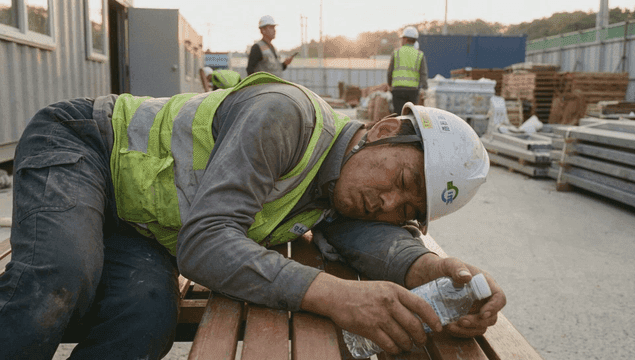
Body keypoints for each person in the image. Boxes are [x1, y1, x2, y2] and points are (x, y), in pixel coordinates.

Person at [0, 72, 505, 359]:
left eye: (410, 210)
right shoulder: (286, 116)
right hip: (83, 143)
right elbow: (205, 243)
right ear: (385, 128)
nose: (390, 204)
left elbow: (372, 238)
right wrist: (335, 295)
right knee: (61, 277)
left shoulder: (336, 192)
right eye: (402, 181)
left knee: (144, 319)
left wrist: (435, 271)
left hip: (139, 222)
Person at [387, 26, 428, 115]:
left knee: (398, 115)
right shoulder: (419, 55)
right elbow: (423, 73)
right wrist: (424, 88)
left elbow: (390, 71)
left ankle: (399, 128)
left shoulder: (396, 53)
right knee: (410, 115)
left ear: (405, 39)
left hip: (397, 89)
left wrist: (389, 85)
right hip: (413, 90)